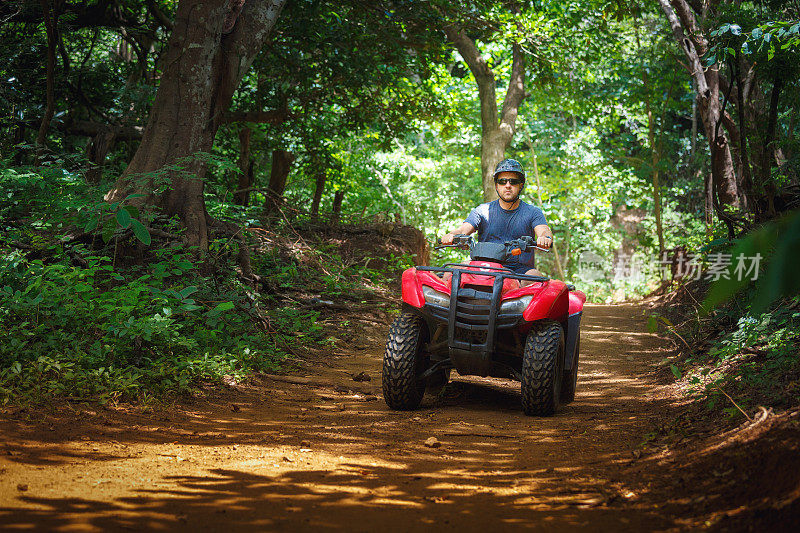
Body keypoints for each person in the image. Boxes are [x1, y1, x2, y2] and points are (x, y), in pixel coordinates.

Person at [441, 158, 553, 281]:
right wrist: (451, 235)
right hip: (482, 267)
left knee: (534, 277)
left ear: (521, 185)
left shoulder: (533, 212)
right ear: (496, 185)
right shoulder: (483, 210)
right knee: (450, 274)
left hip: (518, 271)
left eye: (513, 182)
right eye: (502, 181)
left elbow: (543, 231)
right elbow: (463, 229)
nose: (508, 186)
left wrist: (545, 238)